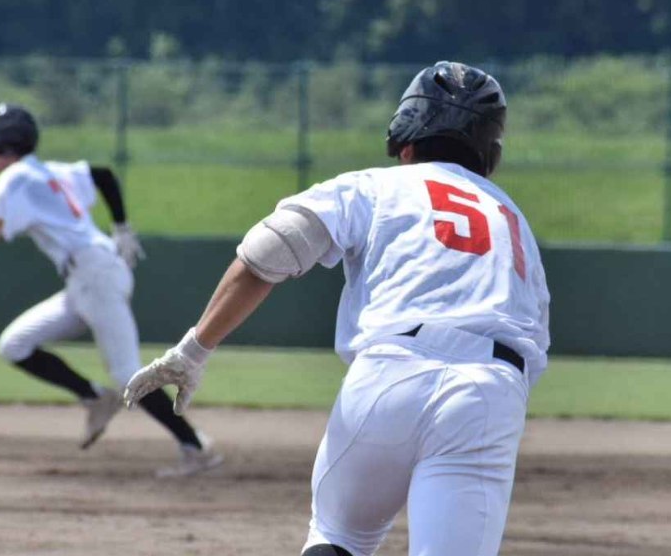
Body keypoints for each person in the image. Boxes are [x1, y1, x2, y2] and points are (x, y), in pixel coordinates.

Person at [125, 62, 550, 555]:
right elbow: (535, 336)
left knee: (340, 536)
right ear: (490, 155)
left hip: (390, 372)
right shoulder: (513, 222)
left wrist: (192, 352)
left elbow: (267, 253)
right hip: (490, 389)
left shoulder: (374, 186)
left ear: (405, 144)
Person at [0, 102, 222, 478]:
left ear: (5, 145)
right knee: (15, 345)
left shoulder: (15, 176)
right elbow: (103, 175)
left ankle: (196, 447)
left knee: (127, 373)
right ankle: (94, 397)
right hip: (88, 277)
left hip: (94, 276)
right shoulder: (49, 171)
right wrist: (121, 227)